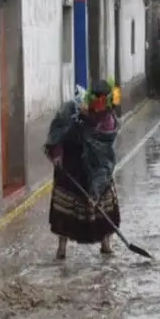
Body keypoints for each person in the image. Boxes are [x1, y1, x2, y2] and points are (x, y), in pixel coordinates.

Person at [45, 79, 123, 260]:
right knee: (65, 205)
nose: (97, 109)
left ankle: (106, 243)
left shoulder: (108, 122)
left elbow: (104, 155)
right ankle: (61, 247)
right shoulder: (73, 110)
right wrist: (57, 155)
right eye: (94, 103)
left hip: (96, 165)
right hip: (70, 161)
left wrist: (96, 188)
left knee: (103, 200)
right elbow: (58, 132)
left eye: (101, 105)